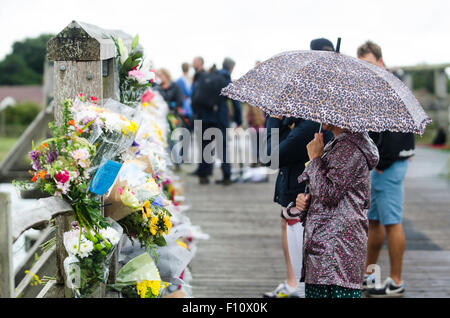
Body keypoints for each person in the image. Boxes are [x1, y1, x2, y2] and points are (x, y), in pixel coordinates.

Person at [263, 38, 334, 298]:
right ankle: (292, 283)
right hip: (291, 185)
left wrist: (273, 119)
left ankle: (298, 287)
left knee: (302, 248)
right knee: (287, 226)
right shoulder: (303, 110)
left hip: (303, 192)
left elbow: (270, 156)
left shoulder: (315, 120)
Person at [357, 41, 415, 298]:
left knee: (392, 222)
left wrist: (381, 163)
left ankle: (396, 280)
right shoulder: (377, 87)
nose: (366, 69)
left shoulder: (390, 86)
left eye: (369, 63)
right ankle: (369, 276)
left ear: (380, 61)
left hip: (388, 166)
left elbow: (395, 132)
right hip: (383, 165)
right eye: (362, 65)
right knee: (375, 221)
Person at [295, 125, 379, 298]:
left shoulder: (349, 148)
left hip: (336, 251)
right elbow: (325, 190)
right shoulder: (338, 144)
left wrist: (314, 160)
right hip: (327, 244)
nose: (322, 113)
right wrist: (305, 201)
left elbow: (329, 194)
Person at [192, 57, 242, 185]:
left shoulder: (207, 77)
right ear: (231, 68)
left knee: (206, 146)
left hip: (204, 117)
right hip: (220, 118)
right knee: (222, 147)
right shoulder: (225, 80)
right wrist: (238, 120)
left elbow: (195, 97)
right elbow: (235, 101)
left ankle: (203, 175)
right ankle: (226, 175)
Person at [175, 62, 194, 130]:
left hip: (184, 106)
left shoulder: (180, 79)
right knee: (186, 123)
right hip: (185, 106)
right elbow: (189, 93)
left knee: (185, 123)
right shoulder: (184, 80)